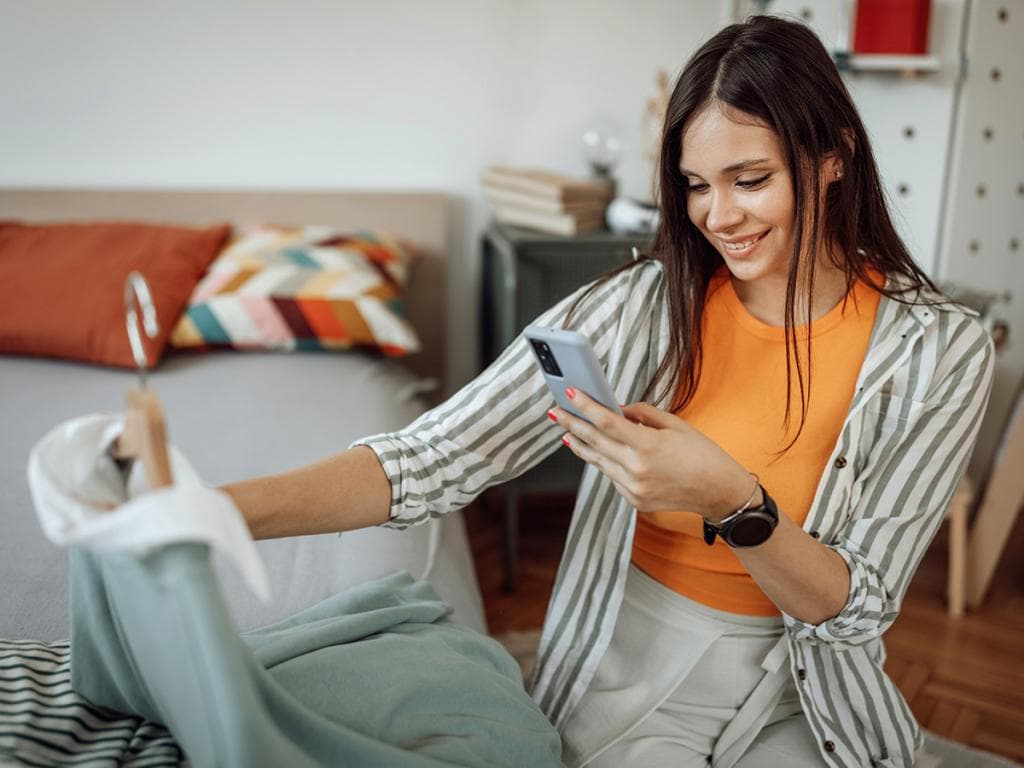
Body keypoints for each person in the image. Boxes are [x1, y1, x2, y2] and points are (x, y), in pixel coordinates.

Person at [226, 14, 994, 768]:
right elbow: (435, 457)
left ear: (835, 156)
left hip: (812, 682)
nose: (718, 216)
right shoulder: (639, 306)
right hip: (637, 658)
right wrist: (217, 513)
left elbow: (858, 607)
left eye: (750, 180)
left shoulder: (939, 349)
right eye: (696, 185)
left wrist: (734, 503)